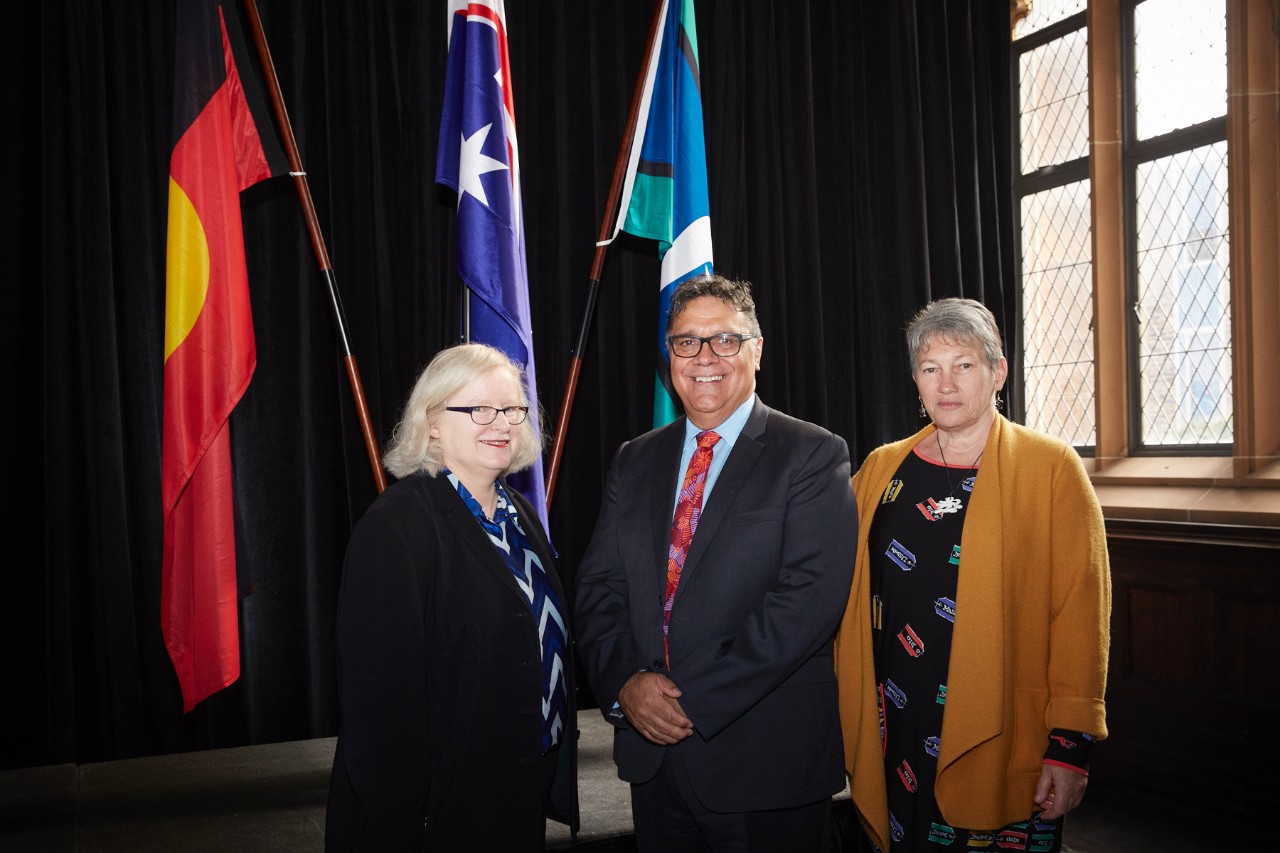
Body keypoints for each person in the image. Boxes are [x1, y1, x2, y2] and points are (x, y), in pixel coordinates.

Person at [575, 274, 857, 852]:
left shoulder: (811, 454)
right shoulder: (635, 460)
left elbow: (806, 604)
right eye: (686, 342)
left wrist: (683, 702)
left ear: (756, 349)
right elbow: (599, 587)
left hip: (763, 763)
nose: (704, 357)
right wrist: (626, 684)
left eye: (724, 340)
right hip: (652, 763)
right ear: (669, 354)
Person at [833, 298, 1111, 852]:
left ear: (998, 371)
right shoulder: (882, 468)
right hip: (898, 725)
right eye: (931, 369)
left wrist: (1070, 745)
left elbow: (1082, 614)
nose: (947, 384)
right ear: (915, 380)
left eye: (964, 365)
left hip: (1006, 728)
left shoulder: (1050, 467)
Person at [325, 343, 578, 851]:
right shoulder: (397, 526)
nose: (501, 423)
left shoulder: (519, 515)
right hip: (437, 813)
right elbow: (379, 706)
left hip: (514, 794)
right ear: (433, 422)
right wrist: (405, 816)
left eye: (511, 409)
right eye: (479, 409)